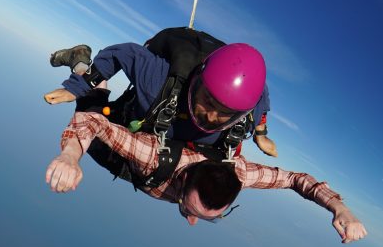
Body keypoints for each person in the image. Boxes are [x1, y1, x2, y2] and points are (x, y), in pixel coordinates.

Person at [46, 111, 367, 242]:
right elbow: (89, 121)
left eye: (204, 216)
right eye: (187, 209)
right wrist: (71, 157)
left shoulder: (240, 172)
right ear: (182, 181)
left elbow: (298, 180)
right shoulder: (154, 156)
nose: (190, 220)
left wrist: (341, 209)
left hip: (148, 171)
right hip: (127, 160)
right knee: (96, 107)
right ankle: (89, 73)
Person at [43, 27, 279, 158]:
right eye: (207, 100)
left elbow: (261, 100)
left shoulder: (247, 111)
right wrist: (77, 87)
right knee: (93, 116)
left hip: (167, 145)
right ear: (197, 80)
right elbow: (123, 53)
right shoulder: (157, 80)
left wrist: (260, 134)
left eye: (225, 113)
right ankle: (79, 59)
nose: (211, 115)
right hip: (135, 119)